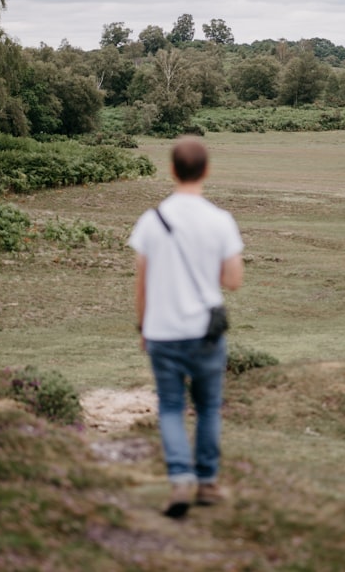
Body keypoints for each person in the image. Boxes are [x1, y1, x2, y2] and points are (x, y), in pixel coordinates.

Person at [128, 136, 244, 518]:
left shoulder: (151, 220)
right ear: (206, 170)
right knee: (209, 408)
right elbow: (233, 280)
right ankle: (207, 482)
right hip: (205, 333)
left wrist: (143, 326)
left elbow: (141, 281)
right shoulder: (220, 220)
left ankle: (180, 480)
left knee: (172, 408)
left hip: (162, 332)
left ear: (172, 170)